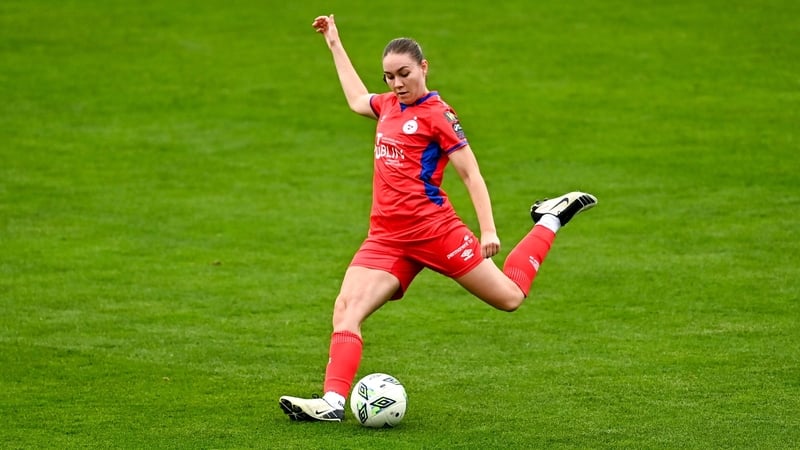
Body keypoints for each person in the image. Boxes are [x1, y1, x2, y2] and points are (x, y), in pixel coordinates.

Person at [279, 14, 597, 422]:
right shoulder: (388, 106)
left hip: (436, 232)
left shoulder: (438, 115)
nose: (396, 83)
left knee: (510, 298)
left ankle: (550, 218)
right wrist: (335, 43)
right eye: (389, 76)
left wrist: (488, 230)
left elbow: (470, 173)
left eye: (404, 74)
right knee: (346, 310)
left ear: (423, 68)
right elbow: (358, 100)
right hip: (387, 238)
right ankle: (332, 403)